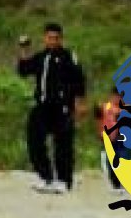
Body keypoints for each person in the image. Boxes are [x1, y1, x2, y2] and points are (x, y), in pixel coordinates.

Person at [17, 21, 87, 193]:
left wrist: (79, 104)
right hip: (42, 105)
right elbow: (25, 70)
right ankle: (45, 176)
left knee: (62, 144)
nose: (52, 41)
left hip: (62, 106)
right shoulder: (42, 57)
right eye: (49, 38)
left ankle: (63, 180)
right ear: (44, 38)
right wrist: (24, 49)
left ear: (61, 39)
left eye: (55, 38)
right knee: (34, 140)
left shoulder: (68, 56)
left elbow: (79, 80)